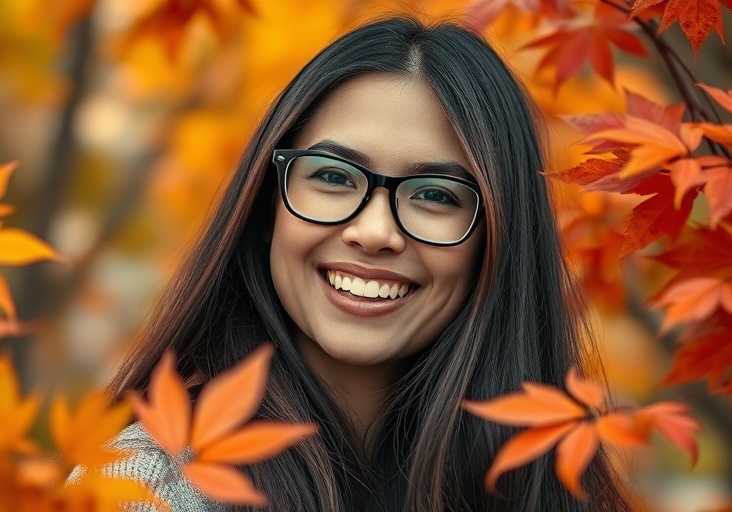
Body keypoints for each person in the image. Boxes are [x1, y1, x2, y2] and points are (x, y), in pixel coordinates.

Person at [106, 15, 631, 512]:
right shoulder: (152, 484)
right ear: (268, 207)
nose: (375, 233)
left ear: (498, 241)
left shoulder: (545, 486)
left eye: (435, 195)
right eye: (334, 177)